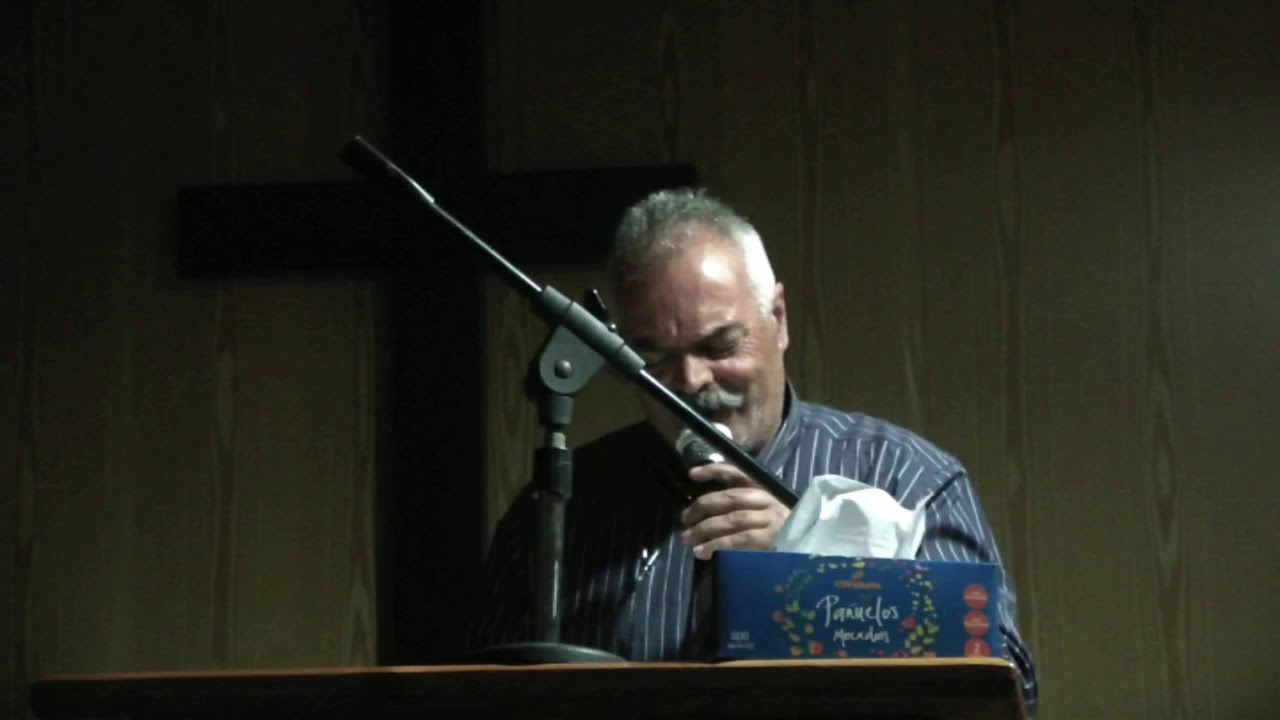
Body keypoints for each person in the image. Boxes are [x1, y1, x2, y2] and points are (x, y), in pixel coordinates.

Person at [471, 188, 1038, 713]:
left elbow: (1004, 689)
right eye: (654, 359)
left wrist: (814, 565)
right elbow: (471, 696)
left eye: (720, 344)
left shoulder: (909, 478)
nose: (691, 380)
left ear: (779, 320)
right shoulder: (563, 509)